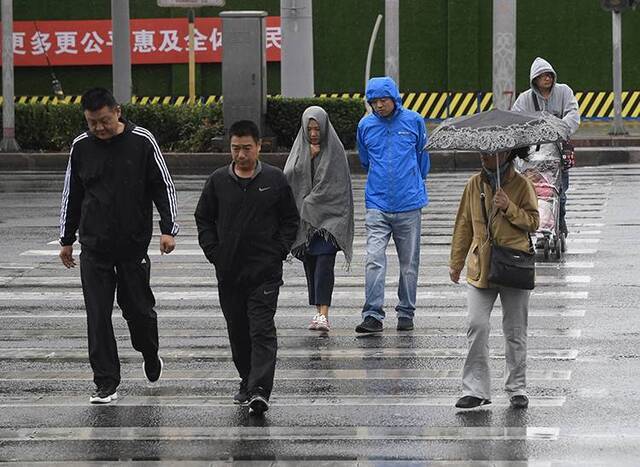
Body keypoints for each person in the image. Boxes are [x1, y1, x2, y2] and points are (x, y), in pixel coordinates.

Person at [59, 87, 179, 404]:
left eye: (103, 121)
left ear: (117, 111)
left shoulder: (142, 141)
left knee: (138, 312)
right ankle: (106, 382)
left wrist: (169, 229)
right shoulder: (81, 147)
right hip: (94, 246)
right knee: (97, 316)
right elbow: (72, 193)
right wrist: (66, 238)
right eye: (92, 122)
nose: (99, 128)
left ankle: (150, 354)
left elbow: (163, 186)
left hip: (132, 247)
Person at [194, 120, 299, 416]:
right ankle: (247, 378)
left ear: (259, 146)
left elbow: (290, 220)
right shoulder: (217, 181)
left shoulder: (275, 180)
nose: (241, 155)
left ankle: (260, 390)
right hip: (229, 273)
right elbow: (203, 218)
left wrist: (279, 249)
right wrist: (214, 251)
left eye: (247, 148)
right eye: (235, 148)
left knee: (262, 330)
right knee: (238, 331)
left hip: (264, 272)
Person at [449, 148, 539, 410]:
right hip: (481, 266)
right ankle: (475, 390)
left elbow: (534, 221)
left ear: (506, 154)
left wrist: (508, 207)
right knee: (476, 325)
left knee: (515, 331)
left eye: (490, 152)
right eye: (481, 152)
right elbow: (464, 224)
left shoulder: (522, 185)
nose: (483, 156)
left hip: (513, 264)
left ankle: (517, 388)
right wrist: (456, 262)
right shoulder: (474, 184)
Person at [355, 76, 430, 333]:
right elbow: (365, 160)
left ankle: (406, 312)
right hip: (377, 203)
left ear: (394, 98)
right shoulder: (365, 126)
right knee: (374, 258)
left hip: (409, 203)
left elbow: (423, 158)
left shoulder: (414, 121)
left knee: (409, 263)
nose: (378, 105)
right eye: (373, 101)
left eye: (383, 100)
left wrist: (413, 182)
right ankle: (372, 314)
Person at [284, 106, 354, 333]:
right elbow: (288, 176)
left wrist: (311, 203)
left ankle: (324, 314)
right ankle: (317, 311)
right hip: (306, 223)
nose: (314, 133)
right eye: (310, 129)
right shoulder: (300, 149)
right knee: (311, 265)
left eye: (317, 128)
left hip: (329, 220)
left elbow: (336, 186)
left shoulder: (335, 150)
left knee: (324, 263)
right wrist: (308, 159)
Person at [512, 57, 580, 237]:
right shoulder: (525, 99)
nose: (547, 78)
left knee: (560, 193)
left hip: (557, 154)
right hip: (534, 156)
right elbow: (517, 122)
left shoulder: (564, 92)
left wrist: (558, 129)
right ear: (535, 79)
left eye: (549, 75)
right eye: (542, 76)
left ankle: (560, 224)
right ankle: (538, 225)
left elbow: (573, 115)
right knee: (535, 193)